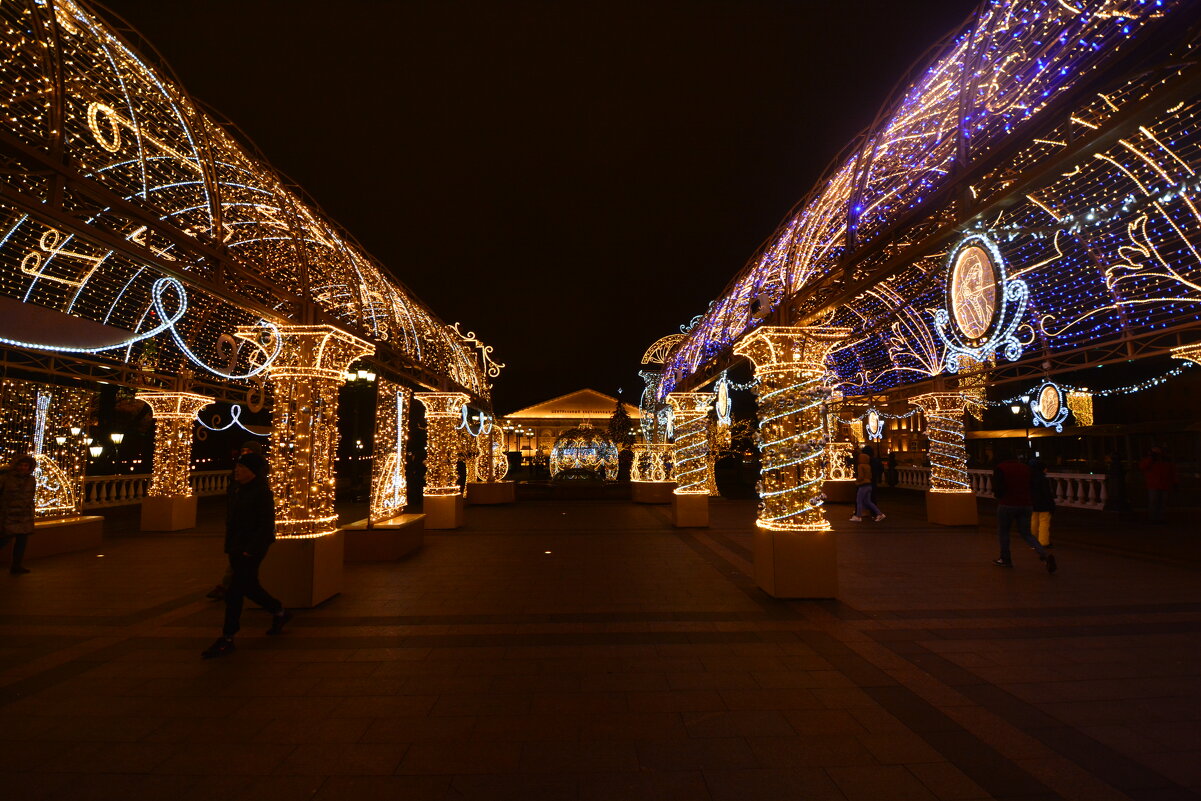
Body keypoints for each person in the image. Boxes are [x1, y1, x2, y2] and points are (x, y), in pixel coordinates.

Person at [202, 452, 291, 659]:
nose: (237, 471)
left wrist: (250, 549)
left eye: (242, 468)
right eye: (237, 467)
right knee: (250, 587)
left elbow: (265, 526)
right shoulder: (235, 489)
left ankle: (228, 637)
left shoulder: (262, 493)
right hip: (236, 547)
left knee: (234, 592)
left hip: (251, 549)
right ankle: (279, 611)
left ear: (252, 472)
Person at [207, 440, 268, 600]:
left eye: (248, 451)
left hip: (249, 533)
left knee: (243, 574)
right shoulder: (238, 477)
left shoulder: (260, 484)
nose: (244, 453)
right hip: (238, 528)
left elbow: (264, 519)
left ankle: (228, 588)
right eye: (243, 450)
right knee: (242, 574)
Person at [993, 449, 1056, 573]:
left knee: (1004, 532)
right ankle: (1044, 555)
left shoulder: (1000, 468)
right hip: (1026, 505)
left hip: (1007, 504)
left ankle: (1005, 559)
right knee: (1026, 533)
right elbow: (1032, 486)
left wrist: (1001, 496)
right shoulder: (1025, 468)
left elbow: (997, 488)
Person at [0, 454, 37, 575]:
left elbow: (31, 495)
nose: (23, 468)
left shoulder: (31, 479)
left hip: (24, 515)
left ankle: (17, 565)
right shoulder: (6, 477)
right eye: (21, 465)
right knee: (4, 539)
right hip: (8, 514)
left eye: (26, 465)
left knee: (21, 542)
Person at [1139, 446, 1176, 523]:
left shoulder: (1165, 461)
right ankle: (1154, 518)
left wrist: (1175, 482)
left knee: (1162, 502)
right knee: (1154, 502)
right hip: (1155, 484)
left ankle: (1160, 518)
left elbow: (1172, 472)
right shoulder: (1151, 460)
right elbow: (1143, 467)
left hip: (1162, 484)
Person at [849, 450, 885, 523]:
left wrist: (857, 481)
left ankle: (858, 516)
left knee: (859, 500)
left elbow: (861, 476)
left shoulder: (860, 466)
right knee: (868, 501)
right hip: (869, 485)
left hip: (863, 485)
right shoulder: (868, 466)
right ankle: (879, 514)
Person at [1029, 459, 1055, 549]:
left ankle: (1033, 542)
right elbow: (1047, 493)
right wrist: (1051, 505)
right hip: (1044, 504)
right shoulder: (1043, 479)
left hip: (1033, 503)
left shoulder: (1030, 478)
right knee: (1044, 523)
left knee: (1033, 522)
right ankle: (1043, 541)